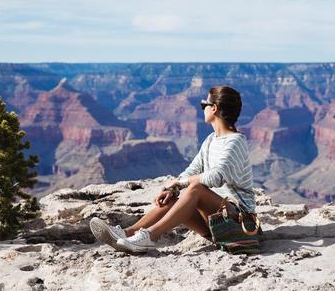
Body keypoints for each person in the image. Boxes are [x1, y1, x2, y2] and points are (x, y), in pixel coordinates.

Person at [90, 85, 255, 253]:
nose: (202, 108)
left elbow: (216, 176)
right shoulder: (211, 140)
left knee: (196, 188)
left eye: (204, 104)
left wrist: (181, 182)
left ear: (214, 108)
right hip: (216, 224)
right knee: (174, 197)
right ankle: (127, 234)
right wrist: (173, 188)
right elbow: (194, 169)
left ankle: (150, 237)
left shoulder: (235, 142)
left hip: (240, 224)